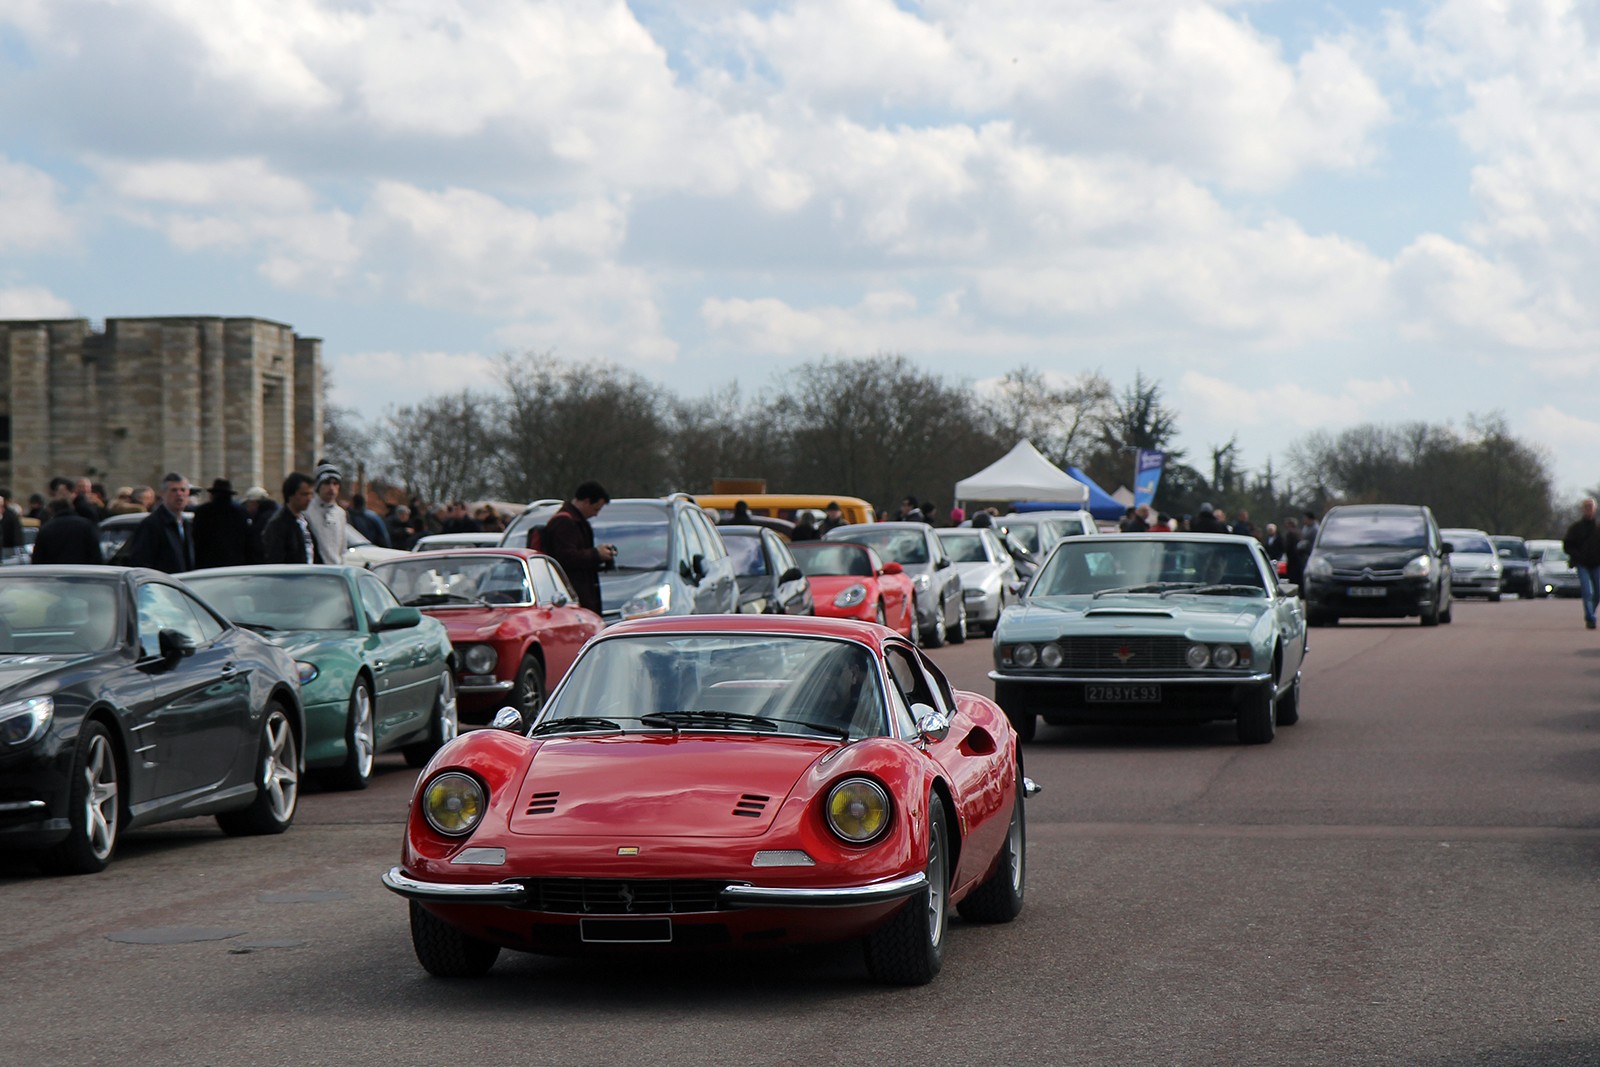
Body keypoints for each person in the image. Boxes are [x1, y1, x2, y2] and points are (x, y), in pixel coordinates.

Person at [541, 481, 616, 614]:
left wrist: (598, 556)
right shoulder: (565, 523)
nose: (596, 514)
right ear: (586, 501)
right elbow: (566, 558)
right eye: (596, 509)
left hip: (577, 595)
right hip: (572, 597)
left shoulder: (574, 522)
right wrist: (596, 554)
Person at [122, 473, 195, 573]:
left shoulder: (186, 524)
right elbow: (141, 562)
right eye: (174, 490)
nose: (179, 494)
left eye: (183, 490)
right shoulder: (151, 524)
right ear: (163, 494)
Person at [192, 478, 257, 568]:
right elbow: (248, 541)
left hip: (208, 563)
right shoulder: (241, 512)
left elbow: (196, 538)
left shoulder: (203, 511)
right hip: (235, 564)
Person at [260, 472, 321, 564]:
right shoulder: (278, 524)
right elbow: (275, 559)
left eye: (311, 494)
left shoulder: (304, 520)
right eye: (304, 494)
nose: (309, 498)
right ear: (291, 495)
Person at [1563, 498, 1600, 629]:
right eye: (1586, 507)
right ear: (1583, 510)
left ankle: (1591, 611)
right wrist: (1577, 556)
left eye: (1591, 507)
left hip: (1596, 564)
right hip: (1582, 564)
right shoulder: (1576, 528)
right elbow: (1567, 545)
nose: (1589, 510)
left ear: (1595, 509)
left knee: (1598, 591)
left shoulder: (1598, 528)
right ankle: (1590, 617)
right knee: (1587, 592)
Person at [31, 499, 103, 564]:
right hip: (82, 573)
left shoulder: (46, 529)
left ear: (52, 511)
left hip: (54, 574)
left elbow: (38, 559)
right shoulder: (86, 526)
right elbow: (96, 555)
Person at [306, 462, 348, 565]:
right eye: (326, 483)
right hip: (316, 571)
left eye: (335, 483)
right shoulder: (307, 511)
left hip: (335, 570)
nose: (331, 488)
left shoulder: (340, 513)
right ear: (318, 486)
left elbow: (342, 548)